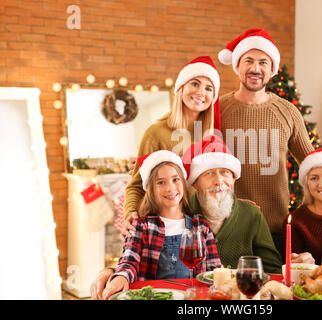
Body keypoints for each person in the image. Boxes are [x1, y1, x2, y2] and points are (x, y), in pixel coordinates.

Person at [217, 28, 315, 252]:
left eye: (263, 62)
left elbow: (312, 164)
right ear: (237, 66)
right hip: (228, 227)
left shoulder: (287, 111)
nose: (255, 68)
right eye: (248, 61)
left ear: (272, 69)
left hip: (276, 231)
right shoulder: (218, 109)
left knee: (276, 287)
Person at [101, 150, 221, 300]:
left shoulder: (202, 228)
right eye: (161, 182)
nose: (170, 188)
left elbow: (213, 272)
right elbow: (129, 260)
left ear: (183, 183)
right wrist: (122, 277)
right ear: (150, 188)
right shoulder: (142, 226)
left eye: (175, 180)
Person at [123, 56, 222, 234]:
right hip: (164, 229)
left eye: (209, 88)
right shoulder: (156, 133)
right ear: (181, 87)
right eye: (195, 84)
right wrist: (131, 213)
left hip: (203, 230)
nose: (201, 92)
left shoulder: (213, 138)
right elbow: (136, 185)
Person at [182, 135, 282, 273]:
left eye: (225, 172)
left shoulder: (252, 214)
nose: (219, 181)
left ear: (234, 179)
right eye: (209, 173)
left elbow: (273, 270)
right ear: (195, 183)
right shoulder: (181, 213)